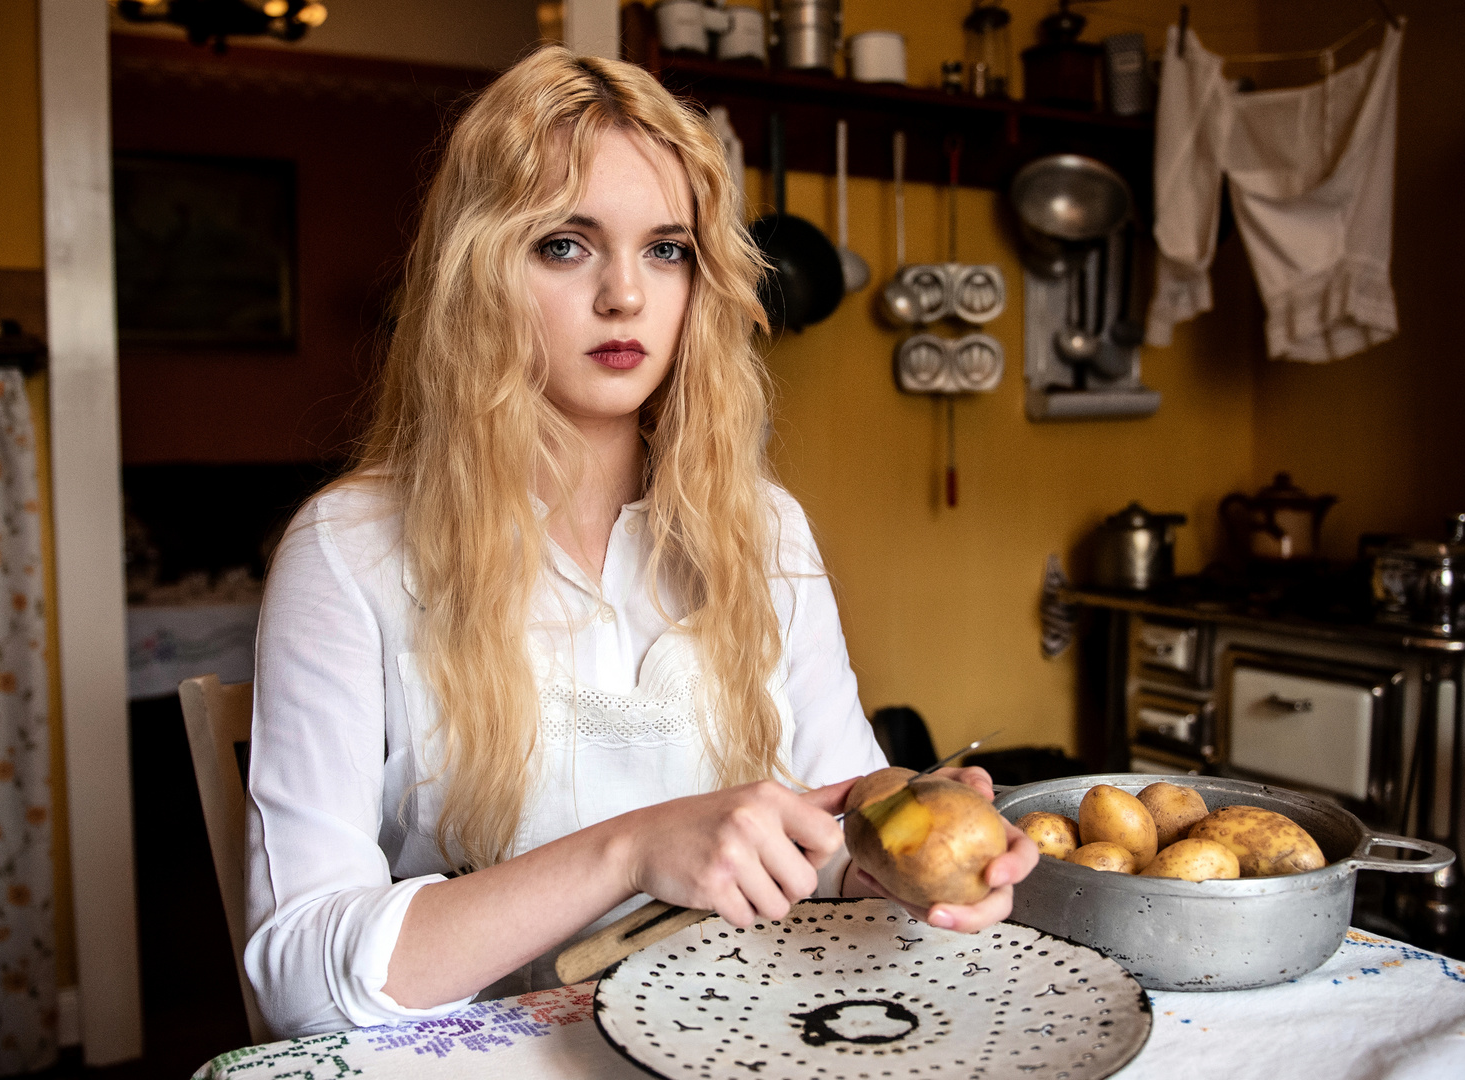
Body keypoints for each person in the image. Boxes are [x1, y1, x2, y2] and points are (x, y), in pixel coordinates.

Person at [244, 46, 1038, 1037]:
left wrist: (912, 850)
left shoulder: (759, 528)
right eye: (564, 245)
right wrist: (628, 850)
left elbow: (834, 836)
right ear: (475, 271)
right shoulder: (348, 552)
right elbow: (298, 984)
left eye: (665, 249)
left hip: (743, 1040)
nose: (625, 295)